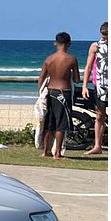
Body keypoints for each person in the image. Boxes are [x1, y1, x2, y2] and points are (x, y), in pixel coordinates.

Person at [37, 31, 79, 160]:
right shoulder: (71, 59)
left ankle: (46, 151)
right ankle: (57, 153)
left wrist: (41, 93)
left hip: (50, 92)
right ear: (69, 43)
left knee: (50, 123)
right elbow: (77, 79)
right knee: (61, 124)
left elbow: (41, 79)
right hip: (63, 92)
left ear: (55, 43)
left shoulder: (49, 59)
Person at [81, 21, 108, 155]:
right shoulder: (95, 46)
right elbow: (88, 66)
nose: (105, 37)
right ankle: (97, 145)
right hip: (100, 86)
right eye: (103, 35)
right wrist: (85, 85)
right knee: (100, 115)